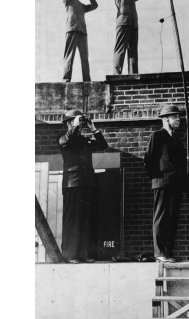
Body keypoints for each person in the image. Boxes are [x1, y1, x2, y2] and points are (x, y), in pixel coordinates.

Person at [57, 109, 108, 263]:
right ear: (68, 123)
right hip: (72, 184)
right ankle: (69, 255)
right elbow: (67, 139)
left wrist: (93, 129)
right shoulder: (63, 138)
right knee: (73, 220)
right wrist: (76, 126)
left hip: (87, 183)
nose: (79, 125)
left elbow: (102, 145)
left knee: (86, 220)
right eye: (74, 121)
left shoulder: (84, 140)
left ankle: (83, 254)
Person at [144, 105, 186, 263]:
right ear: (165, 119)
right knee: (161, 218)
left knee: (173, 218)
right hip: (162, 183)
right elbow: (148, 160)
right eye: (175, 117)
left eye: (179, 117)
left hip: (176, 184)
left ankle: (169, 252)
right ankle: (160, 253)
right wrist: (157, 178)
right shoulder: (157, 135)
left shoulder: (176, 138)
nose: (178, 120)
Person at [63, 0, 98, 82]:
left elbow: (94, 6)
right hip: (72, 29)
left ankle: (87, 80)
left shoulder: (81, 4)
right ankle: (66, 79)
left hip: (82, 31)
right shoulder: (67, 0)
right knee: (69, 56)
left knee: (85, 58)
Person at [112, 0, 145, 75]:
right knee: (120, 48)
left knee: (133, 52)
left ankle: (133, 74)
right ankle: (117, 73)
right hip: (123, 23)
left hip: (133, 23)